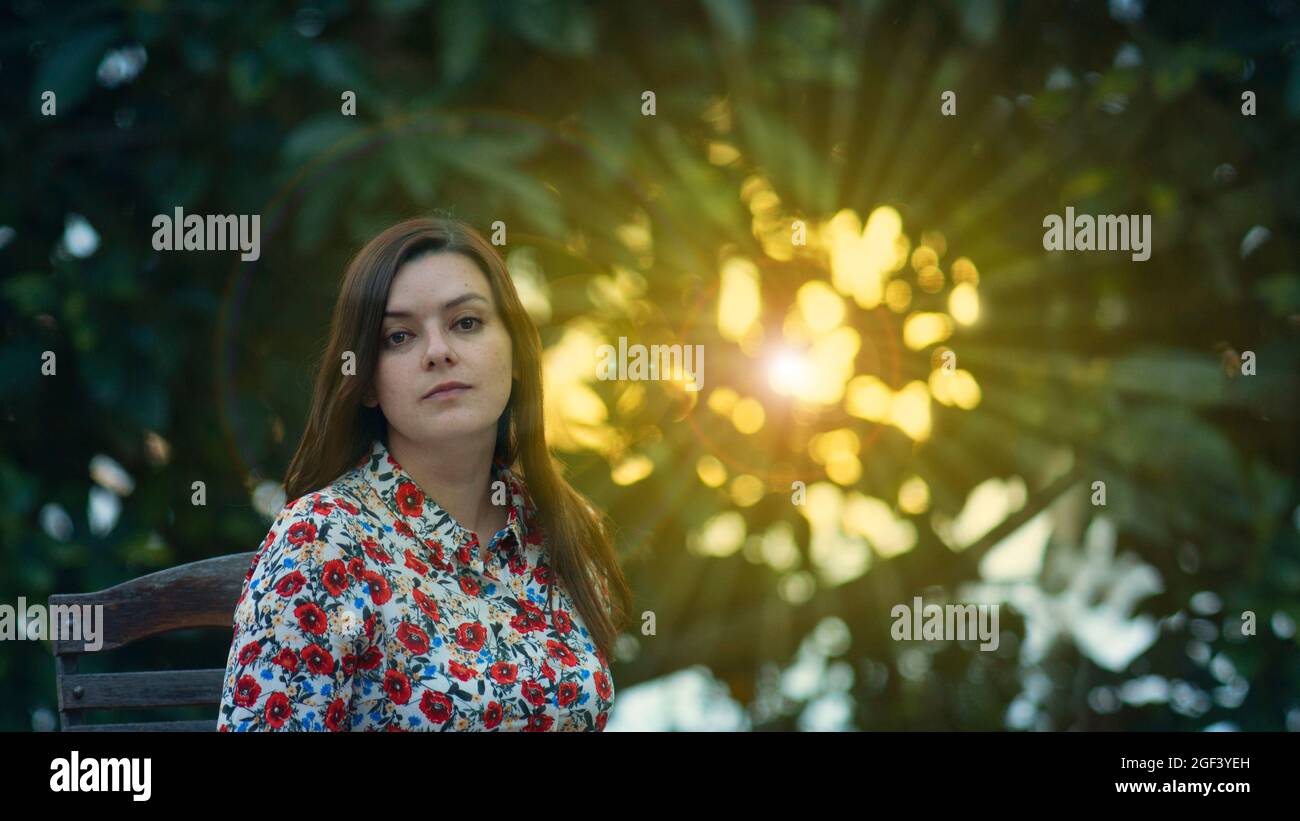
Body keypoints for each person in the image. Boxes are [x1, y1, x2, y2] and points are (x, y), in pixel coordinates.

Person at [217, 215, 629, 731]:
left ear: (517, 353)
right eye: (399, 337)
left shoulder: (562, 527)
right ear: (365, 381)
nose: (439, 352)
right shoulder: (321, 540)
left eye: (466, 323)